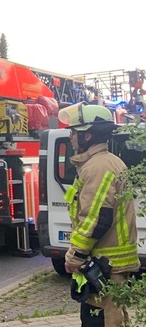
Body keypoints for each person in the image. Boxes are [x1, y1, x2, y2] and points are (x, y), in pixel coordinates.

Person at [58, 102, 140, 326]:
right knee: (112, 316)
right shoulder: (105, 162)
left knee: (102, 320)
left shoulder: (98, 167)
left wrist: (75, 256)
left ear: (88, 136)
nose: (71, 137)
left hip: (106, 263)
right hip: (107, 262)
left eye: (74, 132)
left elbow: (96, 219)